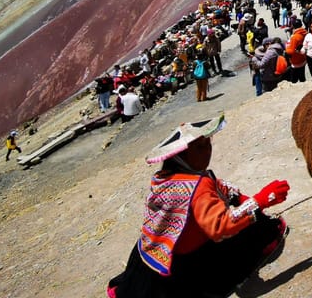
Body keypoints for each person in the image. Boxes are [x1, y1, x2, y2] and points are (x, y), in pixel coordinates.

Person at [107, 115, 291, 297]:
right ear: (182, 155)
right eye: (200, 147)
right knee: (257, 228)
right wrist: (260, 201)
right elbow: (220, 227)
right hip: (184, 264)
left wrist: (240, 198)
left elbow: (219, 188)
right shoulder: (198, 186)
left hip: (151, 253)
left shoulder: (165, 177)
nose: (208, 150)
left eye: (208, 143)